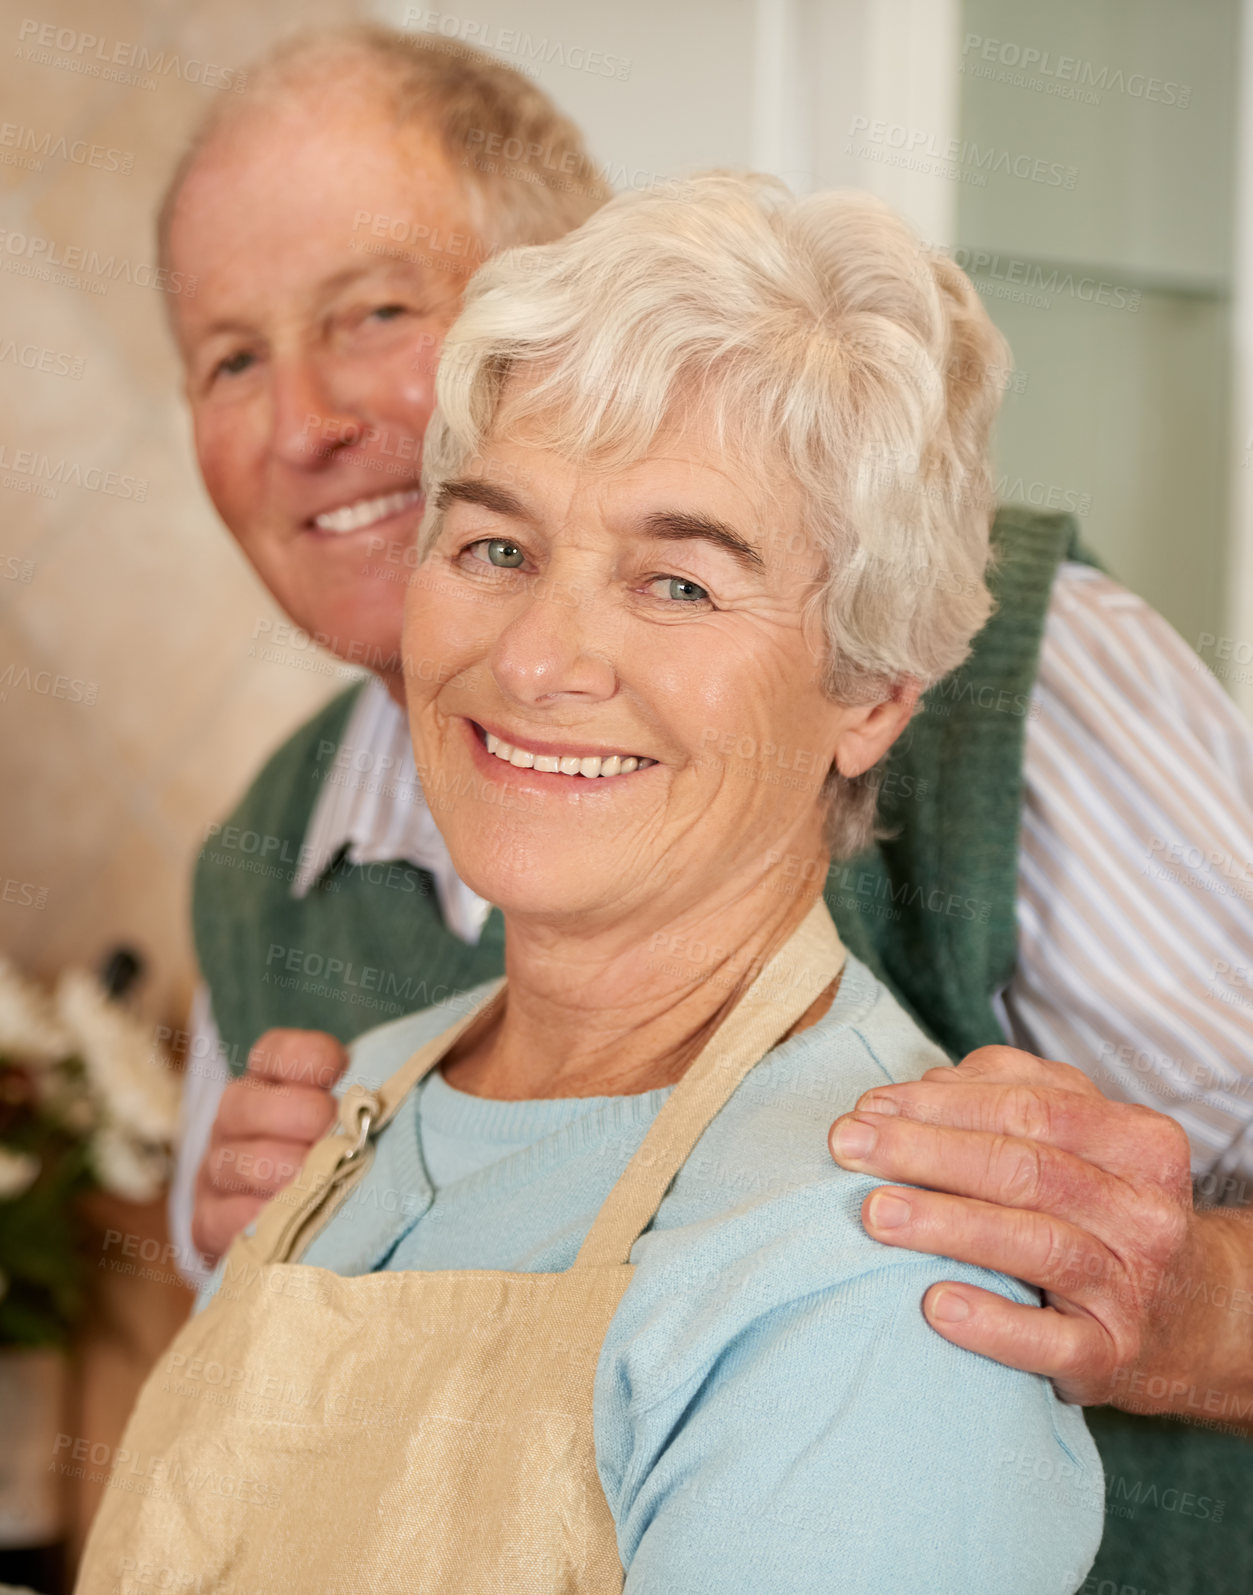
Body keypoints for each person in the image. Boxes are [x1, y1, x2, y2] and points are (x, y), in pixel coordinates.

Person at [164, 41, 1253, 1424]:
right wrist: (262, 1272)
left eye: (374, 311)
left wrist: (1206, 1306)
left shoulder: (1029, 670)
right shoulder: (258, 865)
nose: (304, 420)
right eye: (229, 356)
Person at [78, 171, 1102, 1595]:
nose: (535, 661)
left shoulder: (868, 1262)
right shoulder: (353, 1117)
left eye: (677, 582)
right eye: (496, 547)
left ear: (869, 689)